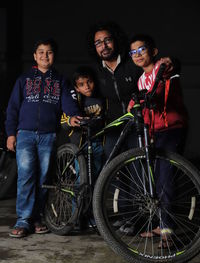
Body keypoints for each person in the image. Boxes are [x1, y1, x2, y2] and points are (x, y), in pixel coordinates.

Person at [5, 38, 81, 238]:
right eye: (41, 52)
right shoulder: (23, 79)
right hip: (25, 135)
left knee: (44, 177)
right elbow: (12, 108)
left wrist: (73, 115)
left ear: (54, 56)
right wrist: (11, 134)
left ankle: (38, 217)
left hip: (48, 136)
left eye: (49, 52)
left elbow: (68, 102)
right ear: (34, 56)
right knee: (26, 175)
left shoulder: (60, 80)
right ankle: (23, 219)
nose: (45, 56)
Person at [127, 34, 188, 246]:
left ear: (153, 51)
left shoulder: (163, 69)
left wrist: (168, 62)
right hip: (154, 134)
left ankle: (167, 232)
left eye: (141, 50)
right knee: (155, 180)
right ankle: (162, 223)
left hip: (171, 129)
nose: (137, 55)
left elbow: (171, 66)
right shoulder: (141, 80)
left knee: (165, 180)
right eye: (133, 52)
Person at [86, 21, 175, 160]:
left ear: (115, 40)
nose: (103, 46)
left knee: (139, 167)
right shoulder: (94, 71)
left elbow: (156, 68)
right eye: (98, 43)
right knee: (112, 170)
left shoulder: (133, 61)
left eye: (107, 40)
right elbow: (79, 87)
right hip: (113, 128)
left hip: (138, 124)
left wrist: (172, 63)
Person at [61, 66, 105, 227]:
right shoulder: (74, 101)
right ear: (76, 87)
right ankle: (77, 217)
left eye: (89, 82)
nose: (86, 86)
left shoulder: (102, 99)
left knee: (97, 181)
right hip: (80, 146)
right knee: (81, 181)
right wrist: (70, 121)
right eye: (81, 84)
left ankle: (93, 217)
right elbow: (63, 121)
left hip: (98, 143)